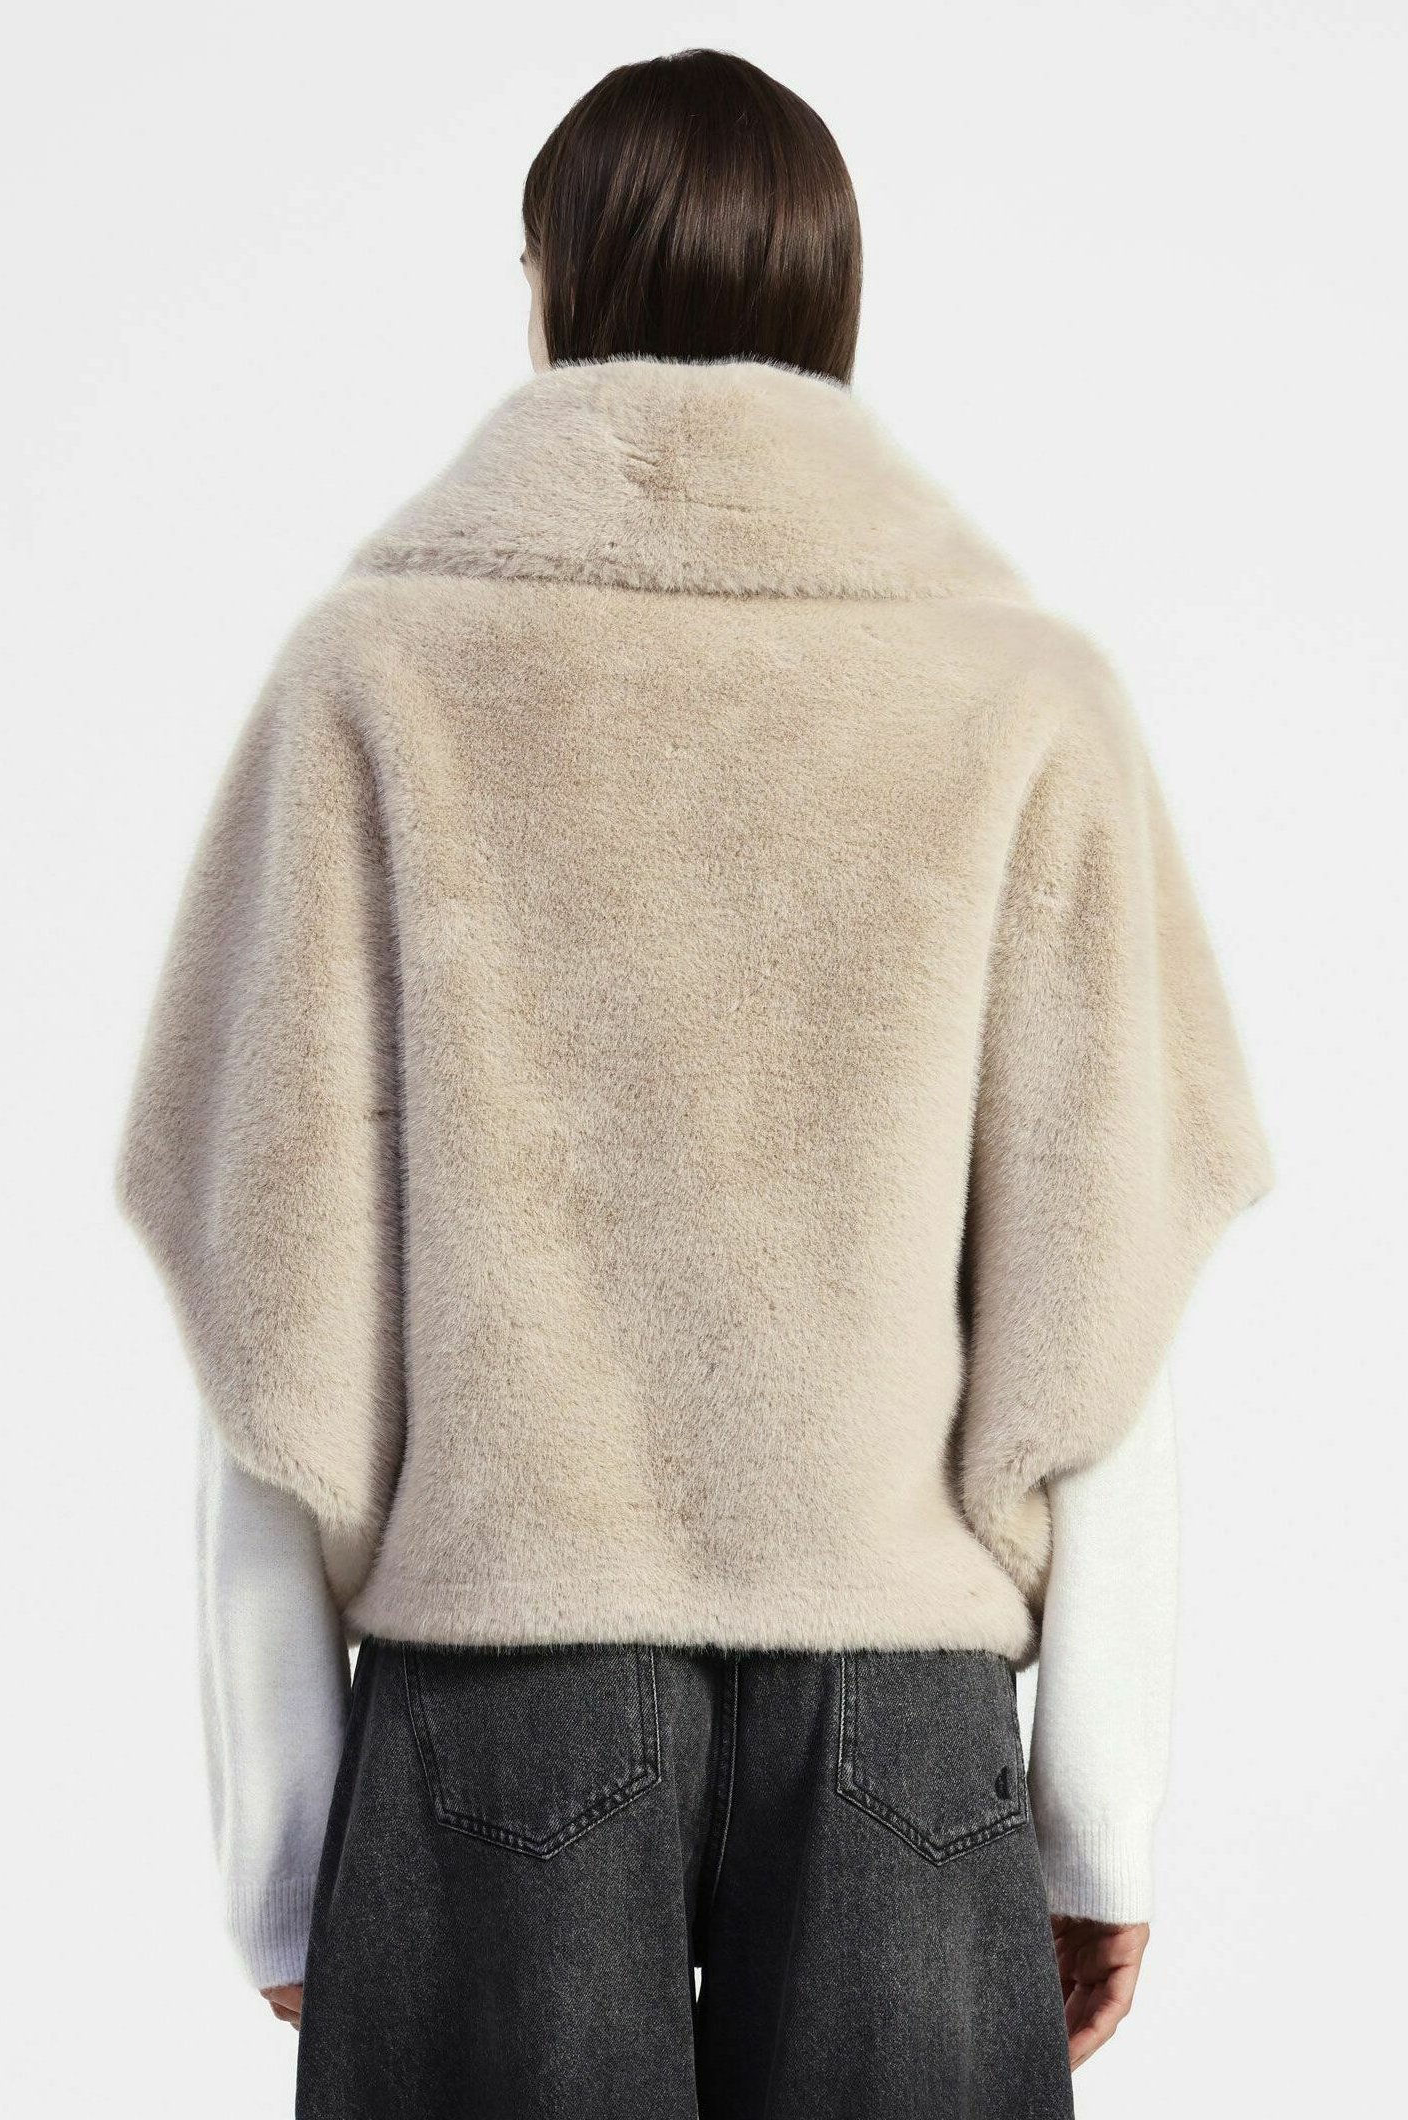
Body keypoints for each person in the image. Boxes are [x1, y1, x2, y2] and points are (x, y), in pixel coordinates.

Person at [120, 49, 1271, 2118]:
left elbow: (272, 1303)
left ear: (548, 293)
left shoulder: (377, 678)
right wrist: (1096, 1815)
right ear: (838, 306)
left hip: (496, 1706)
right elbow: (1097, 1307)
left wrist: (284, 1849)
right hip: (902, 1719)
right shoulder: (1018, 700)